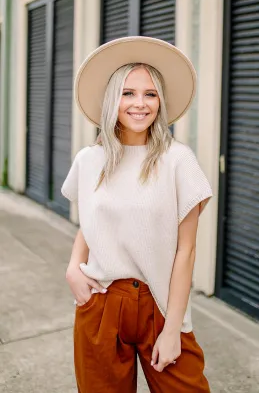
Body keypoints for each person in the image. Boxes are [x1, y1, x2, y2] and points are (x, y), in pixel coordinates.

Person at [61, 36, 213, 393]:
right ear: (113, 100)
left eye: (150, 94)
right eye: (128, 93)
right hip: (100, 304)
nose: (139, 104)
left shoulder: (179, 160)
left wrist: (173, 328)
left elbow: (185, 250)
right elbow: (94, 223)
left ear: (160, 102)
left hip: (158, 304)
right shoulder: (89, 160)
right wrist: (72, 266)